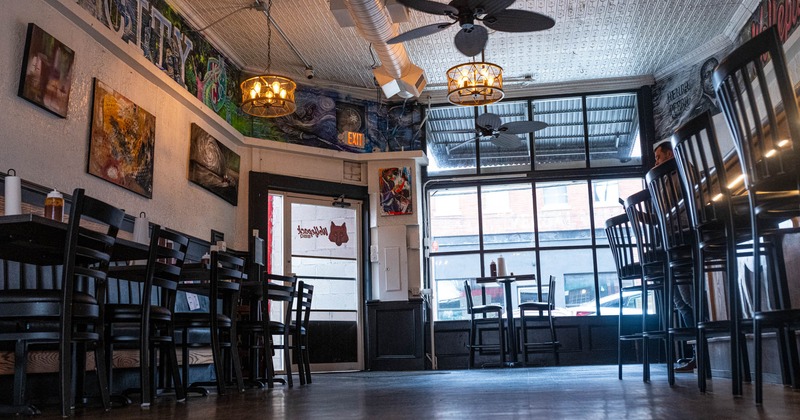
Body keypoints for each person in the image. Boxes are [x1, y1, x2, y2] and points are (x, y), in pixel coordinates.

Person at [654, 140, 696, 373]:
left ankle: (702, 354)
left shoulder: (681, 173)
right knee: (681, 301)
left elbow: (676, 210)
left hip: (683, 239)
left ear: (670, 154)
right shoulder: (668, 178)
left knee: (688, 299)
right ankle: (698, 354)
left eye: (659, 157)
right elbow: (663, 214)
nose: (656, 162)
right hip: (673, 241)